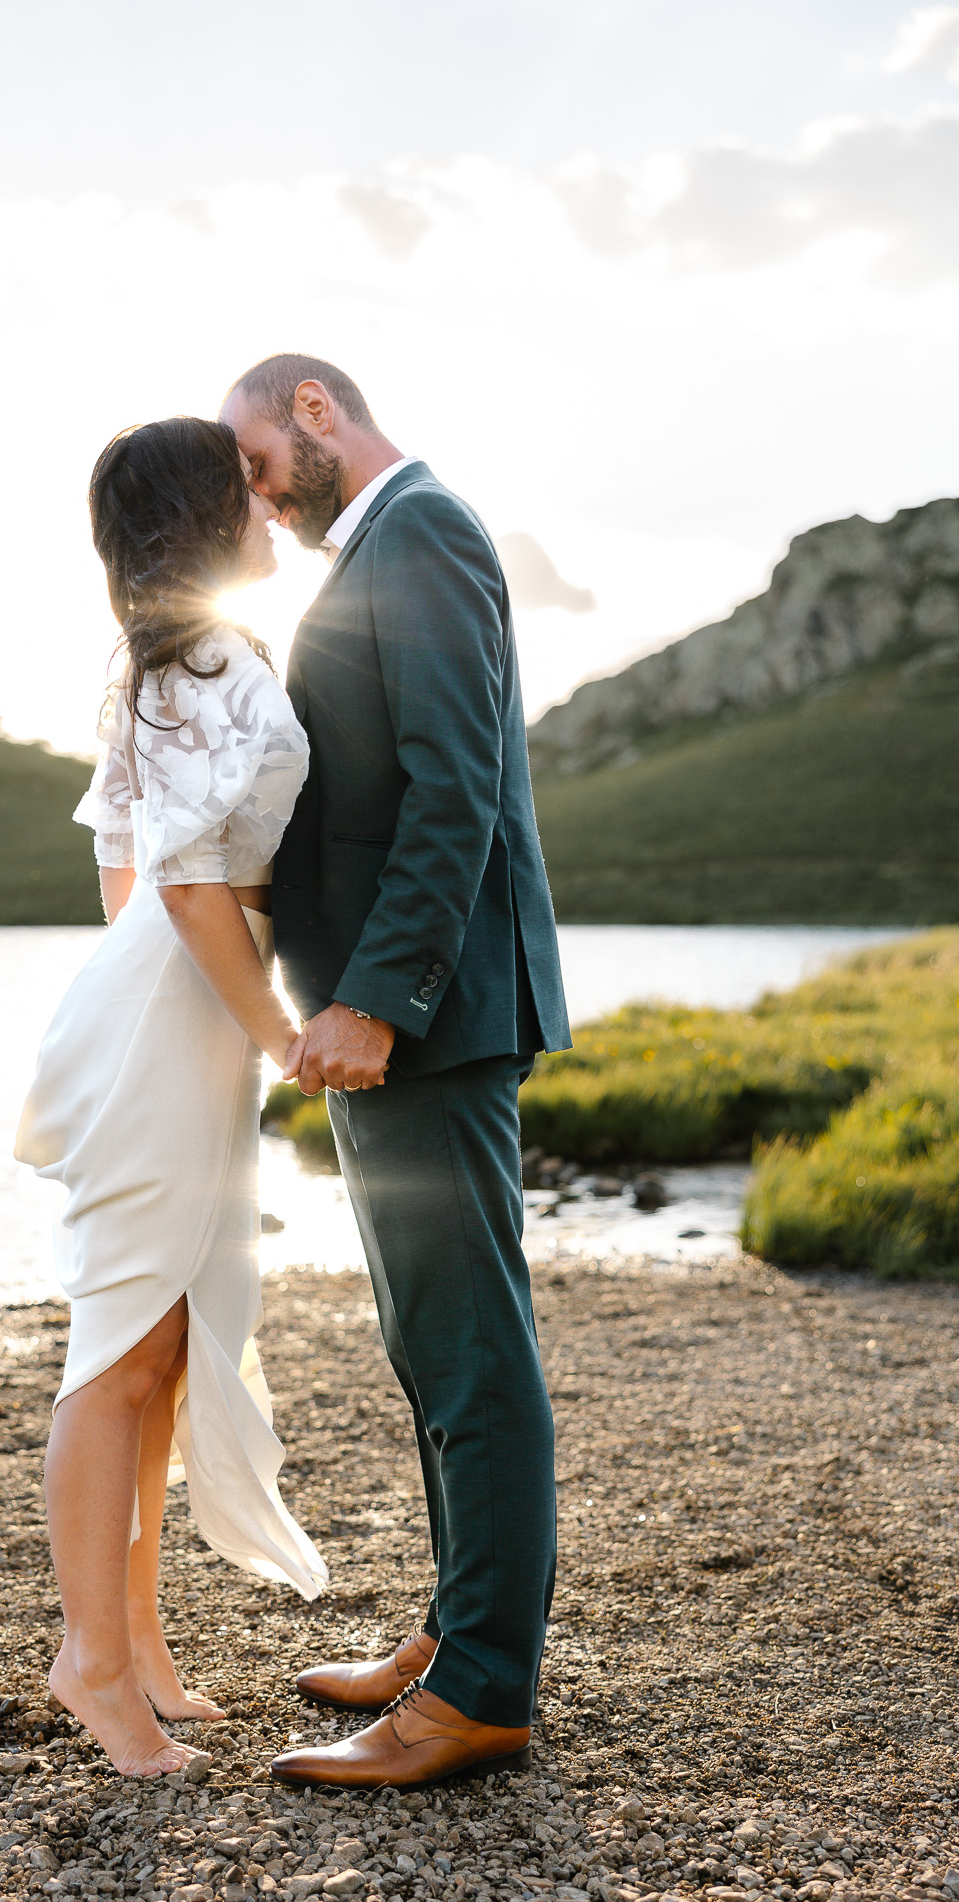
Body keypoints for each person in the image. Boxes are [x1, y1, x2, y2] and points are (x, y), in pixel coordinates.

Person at [221, 355, 573, 1790]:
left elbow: (456, 782)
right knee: (429, 1345)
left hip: (425, 1016)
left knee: (472, 1350)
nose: (255, 497)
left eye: (252, 460)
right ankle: (456, 1632)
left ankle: (485, 1688)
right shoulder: (377, 544)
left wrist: (377, 996)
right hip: (391, 1020)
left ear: (316, 406)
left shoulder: (422, 526)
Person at [14, 415, 326, 1780]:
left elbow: (120, 871)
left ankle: (138, 1647)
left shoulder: (177, 662)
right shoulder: (209, 663)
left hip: (173, 1007)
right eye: (244, 492)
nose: (270, 509)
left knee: (170, 1350)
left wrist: (195, 1001)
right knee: (121, 1352)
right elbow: (187, 886)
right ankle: (91, 1660)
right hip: (183, 1009)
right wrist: (274, 1028)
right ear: (205, 517)